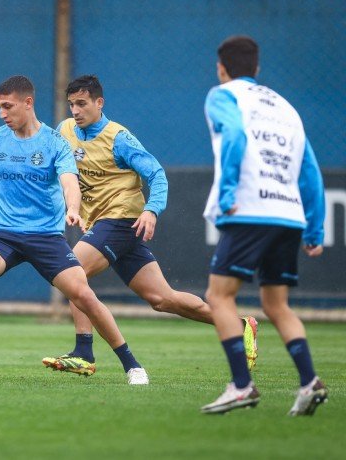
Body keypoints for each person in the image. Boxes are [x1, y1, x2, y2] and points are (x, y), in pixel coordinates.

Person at [42, 75, 258, 376]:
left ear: (99, 103)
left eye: (82, 104)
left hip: (121, 218)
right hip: (107, 226)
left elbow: (157, 174)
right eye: (71, 104)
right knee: (162, 299)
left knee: (71, 271)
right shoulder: (65, 130)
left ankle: (83, 352)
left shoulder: (119, 137)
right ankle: (239, 325)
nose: (75, 110)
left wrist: (151, 210)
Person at [0, 75, 149, 384]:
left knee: (83, 294)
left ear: (28, 103)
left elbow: (70, 182)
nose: (2, 114)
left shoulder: (55, 142)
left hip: (45, 236)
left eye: (7, 106)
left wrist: (74, 209)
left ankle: (132, 365)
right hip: (1, 232)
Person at [200, 35, 327, 415]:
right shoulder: (286, 107)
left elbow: (235, 135)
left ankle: (242, 386)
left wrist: (226, 196)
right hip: (289, 214)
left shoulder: (222, 95)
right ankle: (309, 382)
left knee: (219, 296)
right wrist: (314, 228)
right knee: (277, 304)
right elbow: (310, 170)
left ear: (221, 68)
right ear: (257, 69)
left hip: (250, 209)